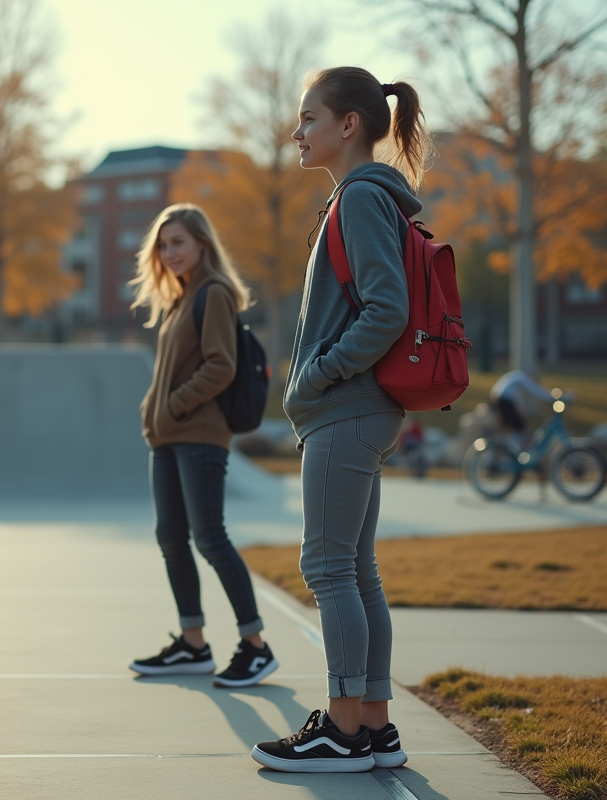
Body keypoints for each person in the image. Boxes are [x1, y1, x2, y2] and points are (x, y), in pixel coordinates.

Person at [251, 67, 435, 774]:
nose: (296, 132)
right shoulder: (363, 197)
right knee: (357, 571)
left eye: (309, 118)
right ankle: (375, 728)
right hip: (362, 410)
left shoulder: (359, 197)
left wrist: (320, 371)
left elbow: (387, 309)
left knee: (328, 567)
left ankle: (341, 730)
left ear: (348, 124)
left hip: (346, 408)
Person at [128, 203, 279, 689]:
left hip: (200, 434)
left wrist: (172, 405)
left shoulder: (213, 293)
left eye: (178, 242)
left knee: (210, 538)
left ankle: (256, 646)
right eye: (163, 245)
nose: (169, 252)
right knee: (171, 538)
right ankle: (193, 644)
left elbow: (221, 365)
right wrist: (154, 409)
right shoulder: (180, 298)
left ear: (202, 244)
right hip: (168, 436)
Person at [490, 369, 557, 450]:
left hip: (499, 403)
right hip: (503, 403)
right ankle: (514, 451)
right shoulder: (520, 377)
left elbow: (514, 401)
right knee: (519, 427)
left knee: (519, 425)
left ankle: (514, 449)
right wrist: (552, 397)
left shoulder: (514, 376)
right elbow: (534, 389)